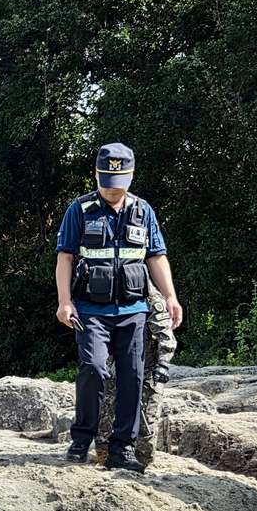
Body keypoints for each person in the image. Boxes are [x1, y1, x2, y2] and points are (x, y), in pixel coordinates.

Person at [55, 143, 183, 471]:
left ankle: (120, 449)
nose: (112, 190)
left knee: (132, 376)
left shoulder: (143, 211)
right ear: (98, 175)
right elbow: (65, 258)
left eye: (119, 183)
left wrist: (170, 297)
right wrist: (64, 301)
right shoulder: (80, 210)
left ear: (131, 177)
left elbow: (156, 257)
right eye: (107, 182)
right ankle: (82, 437)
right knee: (94, 369)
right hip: (91, 309)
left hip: (133, 309)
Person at [96, 281, 177, 467]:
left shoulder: (150, 297)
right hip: (115, 365)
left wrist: (163, 363)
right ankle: (103, 455)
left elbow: (166, 335)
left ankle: (141, 462)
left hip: (148, 369)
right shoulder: (103, 294)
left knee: (147, 420)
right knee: (104, 412)